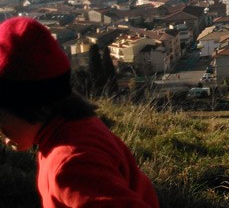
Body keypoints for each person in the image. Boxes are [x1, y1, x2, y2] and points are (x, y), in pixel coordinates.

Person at [0, 17, 159, 207]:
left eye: (1, 124)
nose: (2, 135)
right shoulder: (78, 128)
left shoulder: (71, 164)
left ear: (28, 104)